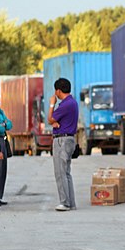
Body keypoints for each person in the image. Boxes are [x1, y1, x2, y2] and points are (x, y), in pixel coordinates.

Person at [49, 77, 79, 211]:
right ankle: (70, 203)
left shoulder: (65, 105)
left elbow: (50, 119)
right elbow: (54, 121)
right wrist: (55, 123)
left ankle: (64, 202)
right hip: (69, 139)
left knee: (60, 172)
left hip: (62, 140)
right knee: (66, 173)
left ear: (58, 91)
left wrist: (51, 104)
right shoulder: (72, 102)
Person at [0, 95, 13, 206]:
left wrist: (4, 124)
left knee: (3, 170)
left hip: (3, 140)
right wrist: (3, 124)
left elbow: (9, 124)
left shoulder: (0, 112)